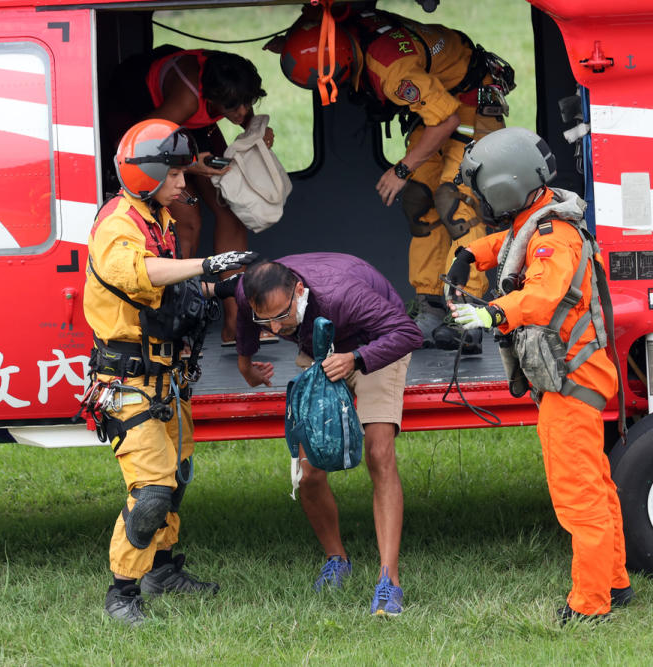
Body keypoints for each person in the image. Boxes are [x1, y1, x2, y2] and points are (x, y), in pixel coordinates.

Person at [445, 127, 632, 624]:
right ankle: (615, 581)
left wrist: (491, 313)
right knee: (597, 486)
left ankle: (590, 604)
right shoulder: (543, 218)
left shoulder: (554, 238)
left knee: (579, 497)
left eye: (484, 191)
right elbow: (512, 242)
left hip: (570, 383)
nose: (483, 201)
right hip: (578, 377)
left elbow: (543, 296)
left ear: (505, 187)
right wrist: (470, 255)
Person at [83, 118, 259, 626]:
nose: (186, 182)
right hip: (129, 383)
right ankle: (122, 593)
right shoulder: (119, 225)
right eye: (178, 173)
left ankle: (161, 570)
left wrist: (224, 287)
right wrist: (207, 265)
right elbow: (145, 273)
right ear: (150, 174)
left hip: (167, 380)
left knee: (175, 482)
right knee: (152, 493)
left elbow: (169, 293)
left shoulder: (154, 217)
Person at [277, 6, 514, 351]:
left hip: (470, 104)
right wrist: (291, 39)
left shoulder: (393, 72)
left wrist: (401, 168)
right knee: (420, 199)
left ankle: (468, 311)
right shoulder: (340, 25)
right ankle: (431, 305)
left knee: (455, 200)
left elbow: (446, 120)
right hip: (440, 102)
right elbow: (315, 15)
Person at [233, 253, 423, 616]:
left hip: (376, 344)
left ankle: (389, 579)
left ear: (300, 291)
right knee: (309, 470)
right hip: (321, 346)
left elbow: (408, 333)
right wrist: (246, 366)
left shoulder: (344, 296)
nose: (273, 330)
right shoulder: (250, 292)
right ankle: (337, 558)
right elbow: (244, 317)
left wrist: (357, 358)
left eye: (280, 317)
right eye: (265, 320)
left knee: (379, 452)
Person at [142, 47, 276, 347]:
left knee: (231, 210)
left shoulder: (230, 79)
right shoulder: (187, 98)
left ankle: (236, 323)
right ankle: (172, 328)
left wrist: (255, 130)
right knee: (187, 221)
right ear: (212, 98)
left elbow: (240, 107)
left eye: (247, 103)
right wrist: (190, 166)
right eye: (234, 107)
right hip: (152, 131)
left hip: (196, 128)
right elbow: (146, 145)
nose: (242, 112)